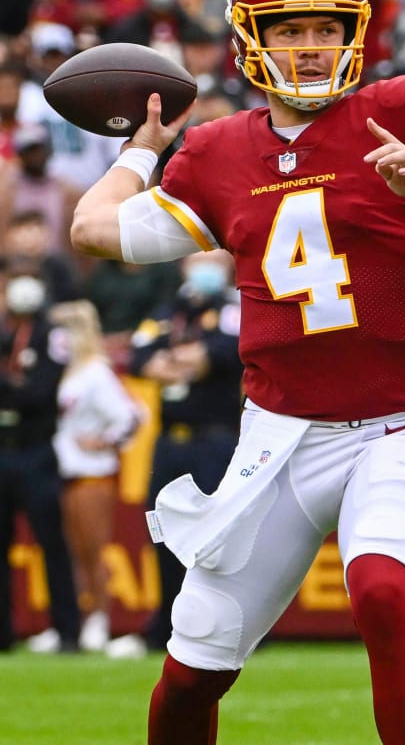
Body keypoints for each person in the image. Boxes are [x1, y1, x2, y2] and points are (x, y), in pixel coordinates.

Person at [70, 0, 405, 744]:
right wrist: (143, 150)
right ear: (252, 36)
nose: (312, 46)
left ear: (355, 29)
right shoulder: (217, 150)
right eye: (290, 29)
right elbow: (91, 228)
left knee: (384, 592)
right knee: (193, 672)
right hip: (278, 437)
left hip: (397, 424)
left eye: (326, 26)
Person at [107, 250, 244, 659]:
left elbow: (224, 353)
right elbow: (139, 353)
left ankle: (229, 625)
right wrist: (181, 361)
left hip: (215, 439)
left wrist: (181, 359)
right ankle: (164, 624)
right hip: (170, 440)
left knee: (221, 537)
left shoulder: (233, 307)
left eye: (215, 257)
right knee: (163, 532)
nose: (205, 265)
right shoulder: (170, 308)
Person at [47, 299, 144, 653]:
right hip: (69, 468)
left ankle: (100, 618)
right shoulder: (71, 371)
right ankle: (83, 616)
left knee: (94, 549)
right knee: (76, 550)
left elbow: (132, 416)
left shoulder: (96, 372)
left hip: (93, 472)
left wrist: (105, 441)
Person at [0, 261, 81, 655]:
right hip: (4, 448)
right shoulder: (5, 330)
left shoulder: (51, 333)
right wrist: (18, 386)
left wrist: (10, 388)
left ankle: (68, 630)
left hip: (35, 450)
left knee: (52, 541)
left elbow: (42, 392)